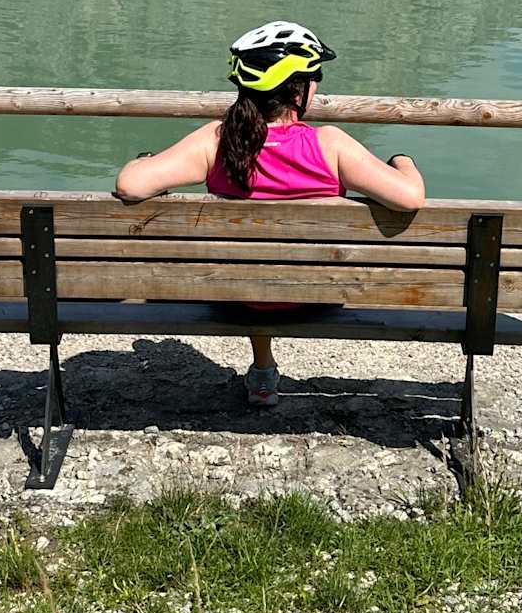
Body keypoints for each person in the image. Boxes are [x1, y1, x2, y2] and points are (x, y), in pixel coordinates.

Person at [114, 21, 425, 407]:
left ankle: (263, 371)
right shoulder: (329, 145)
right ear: (296, 90)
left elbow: (130, 185)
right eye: (315, 78)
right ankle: (263, 369)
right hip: (318, 295)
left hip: (234, 295)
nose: (317, 86)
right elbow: (410, 197)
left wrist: (143, 160)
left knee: (252, 268)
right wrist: (403, 161)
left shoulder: (217, 140)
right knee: (275, 268)